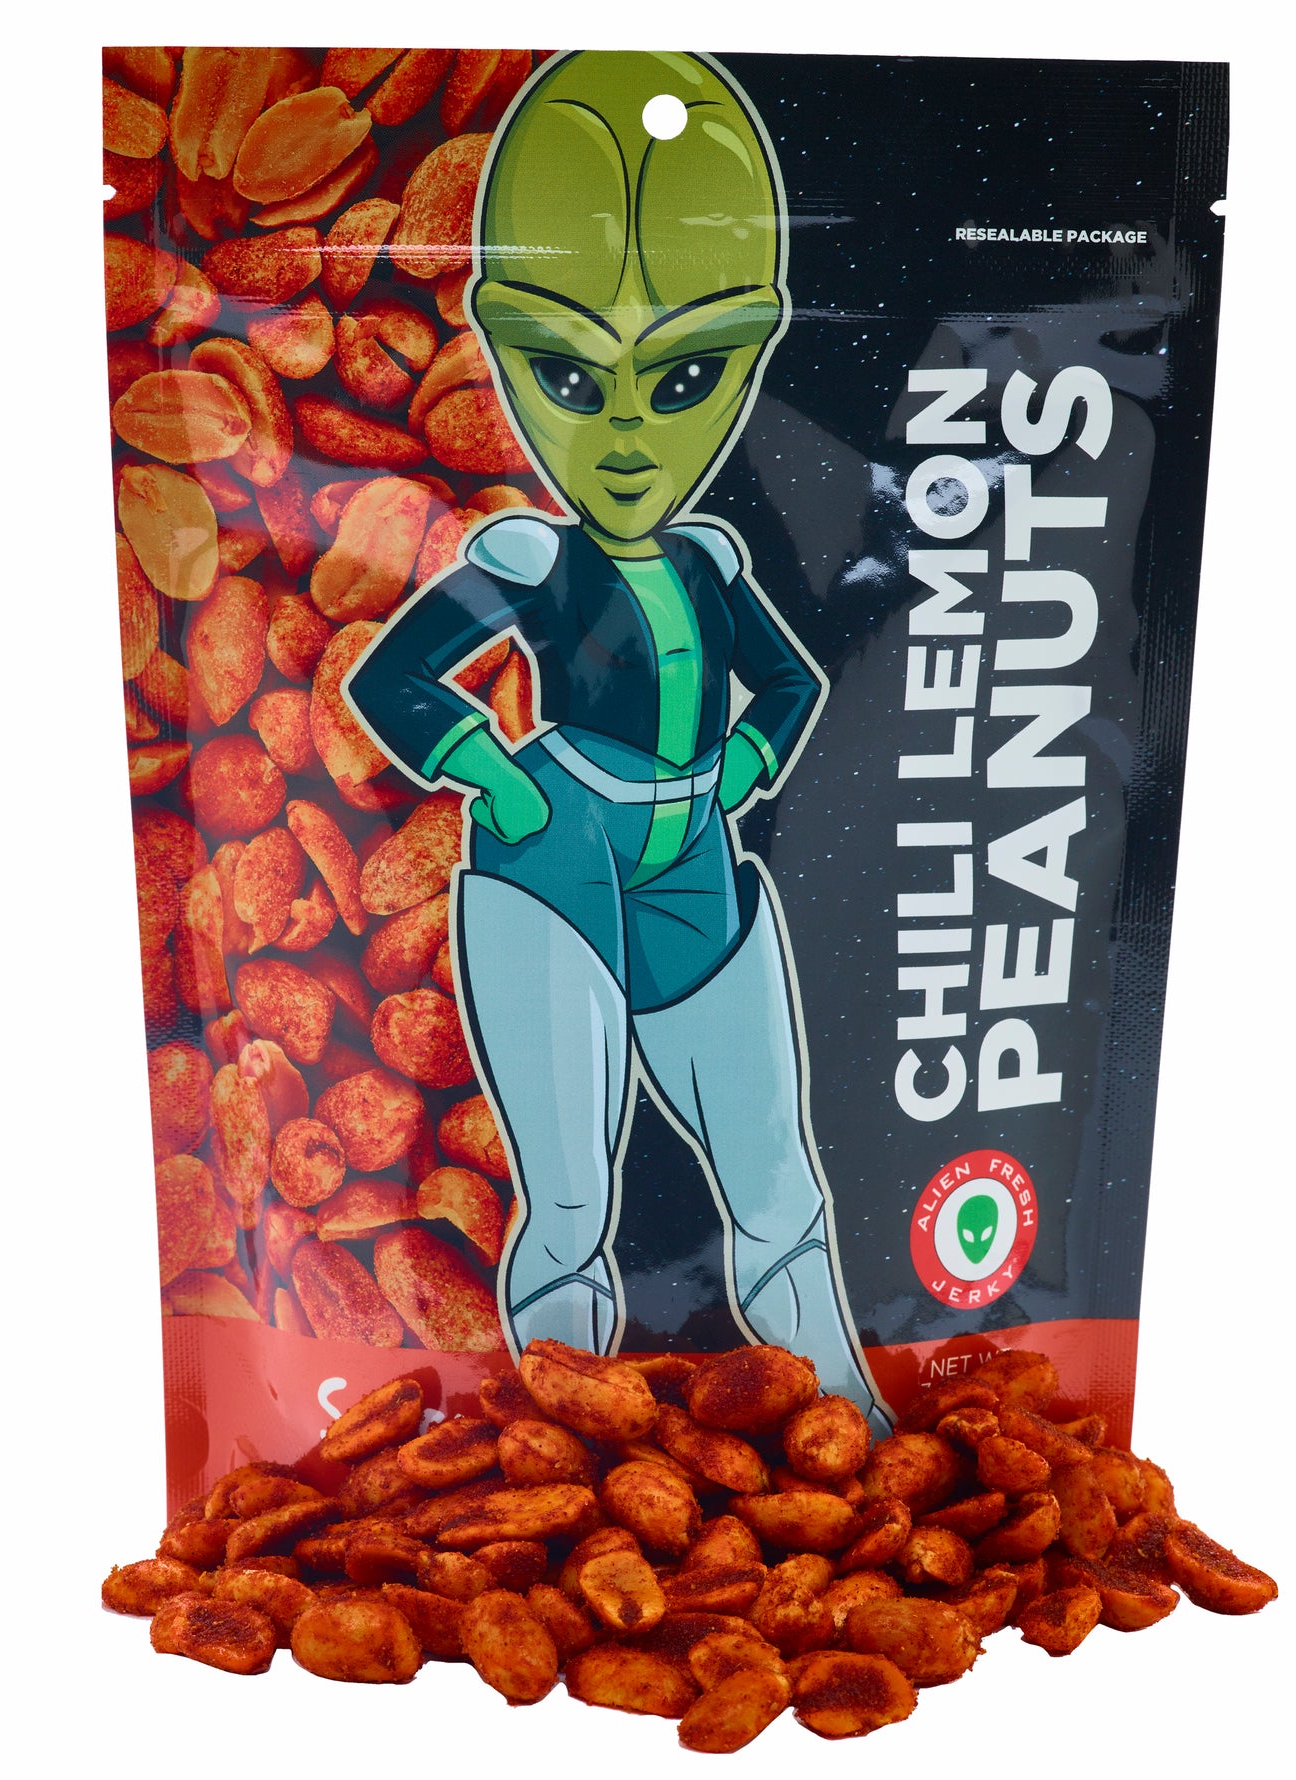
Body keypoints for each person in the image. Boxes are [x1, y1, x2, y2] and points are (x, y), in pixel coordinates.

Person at [345, 50, 887, 1424]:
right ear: (510, 355)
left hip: (696, 857)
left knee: (777, 1178)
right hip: (554, 861)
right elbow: (398, 678)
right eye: (575, 379)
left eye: (689, 373)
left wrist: (741, 775)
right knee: (572, 1198)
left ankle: (848, 1420)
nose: (633, 434)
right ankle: (556, 1442)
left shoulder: (707, 561)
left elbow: (791, 687)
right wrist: (495, 778)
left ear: (749, 358)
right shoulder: (528, 557)